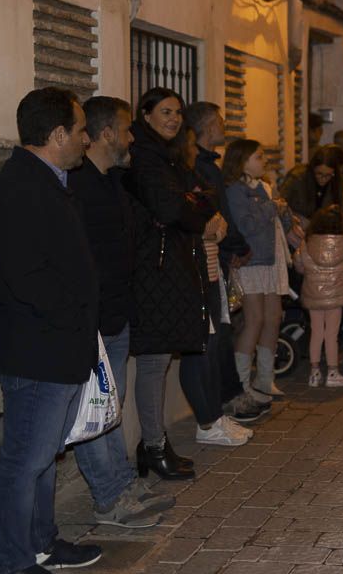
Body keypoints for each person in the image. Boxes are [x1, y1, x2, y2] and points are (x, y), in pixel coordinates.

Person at [0, 87, 104, 573]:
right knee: (22, 462)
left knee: (41, 462)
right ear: (57, 134)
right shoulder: (21, 187)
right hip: (38, 350)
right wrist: (72, 316)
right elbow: (25, 277)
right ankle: (12, 562)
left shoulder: (46, 181)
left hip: (56, 346)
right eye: (80, 131)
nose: (86, 139)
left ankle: (42, 542)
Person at [70, 97, 176, 527]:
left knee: (110, 406)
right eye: (127, 129)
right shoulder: (77, 188)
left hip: (116, 314)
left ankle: (123, 483)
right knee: (93, 408)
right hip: (91, 321)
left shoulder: (113, 180)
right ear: (107, 133)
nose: (132, 137)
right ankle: (110, 499)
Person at [126, 87, 223, 479]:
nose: (173, 119)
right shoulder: (145, 157)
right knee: (153, 362)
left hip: (170, 268)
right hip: (153, 270)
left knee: (160, 360)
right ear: (145, 115)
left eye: (178, 113)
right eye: (165, 112)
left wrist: (193, 204)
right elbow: (168, 208)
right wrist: (193, 207)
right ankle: (152, 446)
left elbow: (207, 196)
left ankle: (154, 443)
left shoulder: (171, 157)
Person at [182, 102, 267, 421]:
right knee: (216, 333)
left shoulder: (209, 166)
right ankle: (221, 405)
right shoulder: (200, 169)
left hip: (220, 253)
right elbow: (214, 214)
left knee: (225, 328)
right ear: (205, 126)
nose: (224, 124)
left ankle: (231, 394)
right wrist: (235, 244)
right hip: (210, 258)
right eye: (219, 120)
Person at [175, 127, 253, 448]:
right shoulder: (177, 182)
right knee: (198, 351)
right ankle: (207, 422)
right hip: (192, 274)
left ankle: (213, 416)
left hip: (209, 271)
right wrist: (211, 225)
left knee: (211, 347)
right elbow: (201, 223)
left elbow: (218, 222)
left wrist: (213, 225)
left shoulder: (195, 178)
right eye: (191, 145)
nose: (196, 149)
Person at [224, 139, 293, 400]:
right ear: (242, 161)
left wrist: (282, 209)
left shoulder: (264, 186)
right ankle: (241, 385)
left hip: (272, 259)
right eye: (259, 156)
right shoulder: (235, 190)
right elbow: (245, 225)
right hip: (252, 261)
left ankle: (265, 379)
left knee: (273, 319)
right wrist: (271, 206)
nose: (264, 160)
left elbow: (280, 224)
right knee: (254, 320)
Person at [294, 205, 343, 388]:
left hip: (313, 292)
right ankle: (332, 372)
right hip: (335, 294)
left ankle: (314, 373)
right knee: (331, 334)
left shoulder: (306, 243)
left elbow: (299, 265)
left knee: (316, 332)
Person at [280, 145, 343, 224]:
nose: (323, 179)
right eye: (319, 174)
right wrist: (292, 219)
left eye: (328, 175)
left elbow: (342, 208)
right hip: (295, 224)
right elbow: (281, 204)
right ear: (312, 169)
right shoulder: (297, 177)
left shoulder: (337, 179)